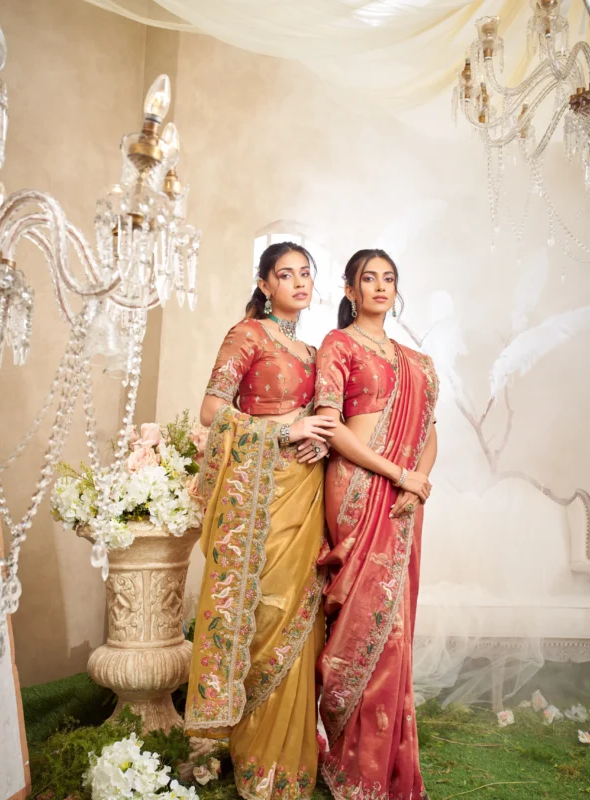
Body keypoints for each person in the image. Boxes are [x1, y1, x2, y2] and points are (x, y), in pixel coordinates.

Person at [184, 242, 335, 800]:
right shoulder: (246, 334)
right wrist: (281, 432)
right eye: (286, 274)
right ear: (265, 284)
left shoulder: (318, 350)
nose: (298, 282)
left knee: (299, 615)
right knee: (262, 612)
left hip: (306, 494)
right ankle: (250, 756)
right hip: (260, 497)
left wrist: (319, 439)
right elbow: (211, 411)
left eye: (306, 274)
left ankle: (291, 762)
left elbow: (326, 418)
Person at [311, 248, 438, 800]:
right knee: (356, 616)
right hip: (358, 490)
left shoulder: (418, 361)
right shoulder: (338, 346)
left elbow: (431, 433)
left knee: (393, 631)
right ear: (350, 288)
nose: (380, 287)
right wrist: (399, 475)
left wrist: (419, 481)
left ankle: (378, 764)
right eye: (370, 278)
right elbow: (331, 428)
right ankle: (344, 753)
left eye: (389, 279)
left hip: (403, 494)